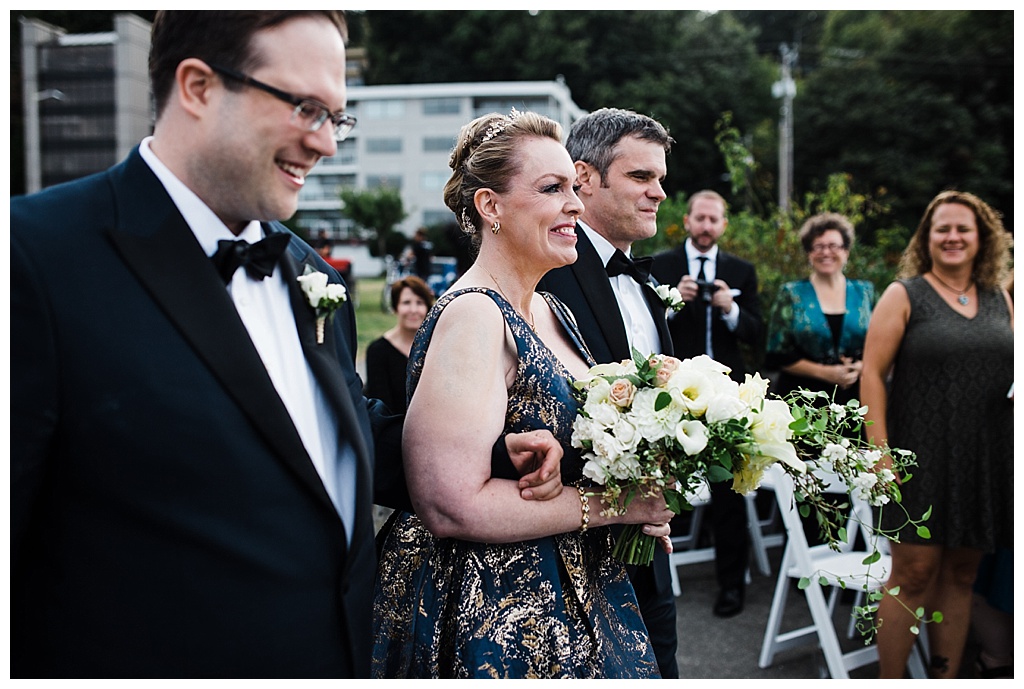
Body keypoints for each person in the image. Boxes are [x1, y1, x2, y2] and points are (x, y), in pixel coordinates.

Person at [10, 11, 560, 678]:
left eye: (337, 117)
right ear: (198, 87)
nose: (327, 144)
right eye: (306, 108)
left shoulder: (312, 274)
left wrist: (497, 453)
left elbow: (319, 433)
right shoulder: (34, 258)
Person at [372, 110, 675, 679]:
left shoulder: (549, 309)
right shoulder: (475, 315)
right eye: (552, 188)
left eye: (572, 187)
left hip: (578, 583)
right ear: (491, 206)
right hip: (497, 610)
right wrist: (621, 506)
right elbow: (449, 505)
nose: (576, 205)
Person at [536, 107, 680, 678]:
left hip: (646, 540)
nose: (659, 193)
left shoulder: (642, 282)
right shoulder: (546, 271)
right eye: (641, 177)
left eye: (661, 179)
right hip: (571, 552)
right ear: (585, 178)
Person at [860, 190, 1013, 679]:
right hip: (915, 459)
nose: (952, 237)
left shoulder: (999, 297)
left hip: (984, 459)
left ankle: (944, 675)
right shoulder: (904, 295)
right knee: (913, 576)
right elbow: (871, 378)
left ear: (981, 237)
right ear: (927, 238)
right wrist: (879, 455)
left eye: (962, 228)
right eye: (941, 228)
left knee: (963, 575)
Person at [650, 189, 764, 619]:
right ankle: (651, 582)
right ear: (688, 219)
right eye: (700, 218)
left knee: (728, 494)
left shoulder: (740, 270)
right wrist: (673, 303)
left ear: (723, 225)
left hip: (726, 397)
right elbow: (644, 327)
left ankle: (731, 585)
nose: (706, 226)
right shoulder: (661, 265)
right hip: (673, 393)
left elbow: (756, 333)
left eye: (714, 220)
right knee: (659, 487)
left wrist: (731, 309)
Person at [765, 213, 874, 405]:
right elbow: (776, 354)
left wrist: (860, 367)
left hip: (856, 398)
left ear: (846, 251)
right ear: (809, 253)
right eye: (819, 246)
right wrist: (827, 373)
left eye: (834, 246)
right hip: (801, 398)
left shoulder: (865, 292)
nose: (826, 252)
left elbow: (881, 344)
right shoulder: (791, 293)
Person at [363, 275, 435, 414]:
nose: (413, 310)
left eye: (419, 303)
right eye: (406, 302)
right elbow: (381, 406)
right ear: (395, 307)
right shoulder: (378, 351)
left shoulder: (436, 347)